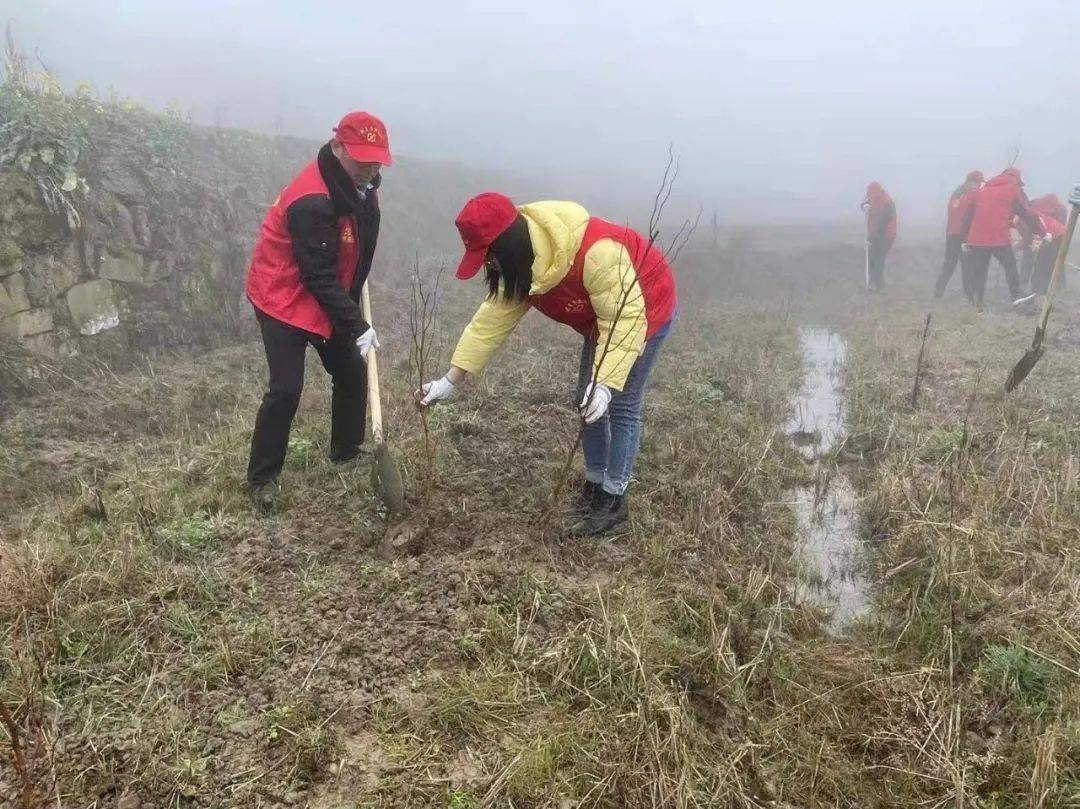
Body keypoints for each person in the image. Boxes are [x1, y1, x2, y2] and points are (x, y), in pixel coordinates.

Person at [415, 194, 677, 536]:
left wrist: (606, 384)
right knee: (586, 402)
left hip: (644, 309)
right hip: (603, 320)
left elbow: (625, 321)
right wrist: (449, 381)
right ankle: (595, 485)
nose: (488, 267)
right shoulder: (524, 269)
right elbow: (488, 325)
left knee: (621, 403)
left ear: (508, 245)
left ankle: (614, 501)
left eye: (489, 257)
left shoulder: (597, 254)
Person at [244, 112, 391, 511]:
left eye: (377, 160)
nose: (371, 168)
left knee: (351, 370)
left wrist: (354, 295)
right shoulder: (312, 201)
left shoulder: (364, 190)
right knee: (286, 389)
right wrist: (355, 323)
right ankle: (261, 480)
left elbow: (360, 253)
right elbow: (316, 276)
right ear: (338, 147)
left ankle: (345, 450)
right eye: (362, 159)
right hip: (282, 296)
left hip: (325, 291)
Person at [960, 168, 1043, 312]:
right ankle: (1016, 296)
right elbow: (1025, 213)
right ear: (1016, 179)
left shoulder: (982, 190)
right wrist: (1038, 231)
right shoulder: (1012, 189)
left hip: (977, 239)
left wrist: (964, 239)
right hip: (998, 237)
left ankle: (977, 306)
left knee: (980, 272)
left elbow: (967, 216)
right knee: (1010, 266)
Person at [934, 171, 983, 299]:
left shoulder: (956, 194)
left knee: (949, 264)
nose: (979, 185)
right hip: (964, 235)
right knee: (967, 266)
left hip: (951, 234)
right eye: (979, 182)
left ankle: (938, 292)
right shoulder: (973, 194)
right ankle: (969, 297)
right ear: (973, 181)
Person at [861, 182, 897, 291]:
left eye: (872, 194)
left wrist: (870, 239)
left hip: (886, 235)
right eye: (869, 195)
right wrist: (864, 207)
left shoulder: (888, 203)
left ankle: (879, 286)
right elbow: (865, 204)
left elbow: (881, 225)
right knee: (871, 258)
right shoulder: (873, 197)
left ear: (878, 192)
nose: (870, 197)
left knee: (879, 260)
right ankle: (872, 282)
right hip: (875, 233)